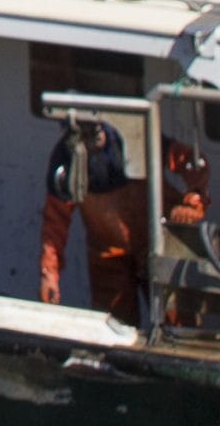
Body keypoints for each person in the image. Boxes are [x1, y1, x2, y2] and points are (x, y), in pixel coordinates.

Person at [38, 117, 211, 325]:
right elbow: (56, 221)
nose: (92, 139)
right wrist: (50, 272)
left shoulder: (135, 138)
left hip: (160, 241)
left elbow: (192, 163)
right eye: (83, 133)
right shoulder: (66, 160)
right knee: (113, 327)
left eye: (94, 130)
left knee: (179, 322)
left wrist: (193, 200)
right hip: (107, 255)